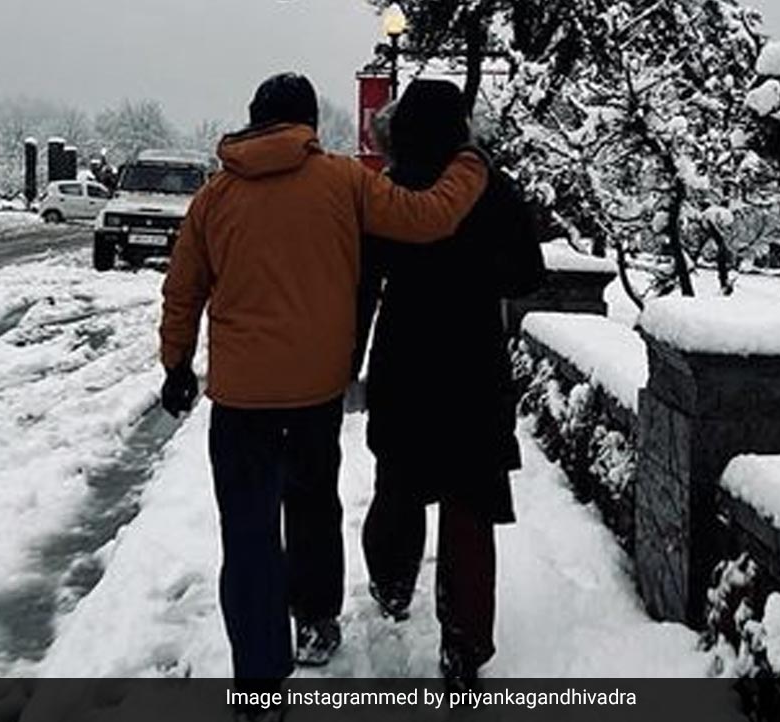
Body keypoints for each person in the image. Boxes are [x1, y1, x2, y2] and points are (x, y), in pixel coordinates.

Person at [158, 73, 489, 688]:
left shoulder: (214, 197)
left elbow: (183, 291)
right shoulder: (344, 181)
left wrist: (176, 363)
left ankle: (259, 677)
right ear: (309, 125)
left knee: (249, 534)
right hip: (314, 391)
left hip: (241, 397)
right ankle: (314, 620)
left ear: (254, 118)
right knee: (312, 504)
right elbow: (429, 217)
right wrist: (468, 161)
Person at [355, 80, 546, 687]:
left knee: (399, 484)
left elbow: (363, 282)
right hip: (472, 364)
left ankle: (391, 584)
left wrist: (348, 360)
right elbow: (527, 277)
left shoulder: (392, 191)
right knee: (469, 502)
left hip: (404, 362)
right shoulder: (493, 187)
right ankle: (464, 643)